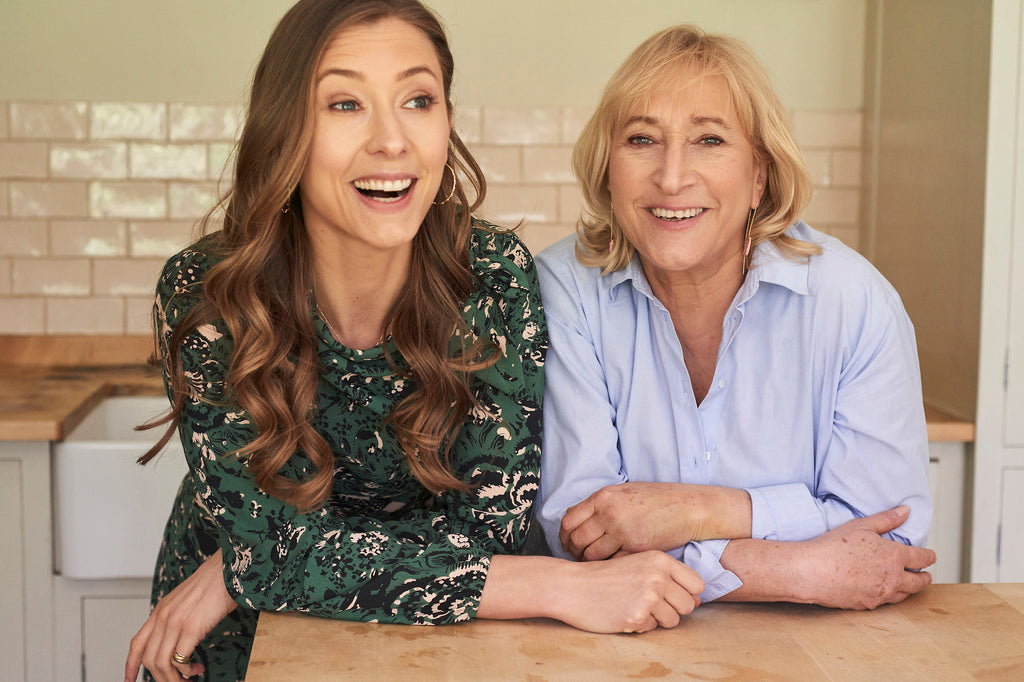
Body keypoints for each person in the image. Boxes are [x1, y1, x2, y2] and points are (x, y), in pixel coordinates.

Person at [125, 3, 705, 681]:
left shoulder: (491, 279)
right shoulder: (209, 293)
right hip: (238, 642)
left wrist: (254, 564)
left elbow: (488, 532)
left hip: (441, 639)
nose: (391, 141)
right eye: (345, 104)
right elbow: (269, 549)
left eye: (418, 99)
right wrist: (557, 586)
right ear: (286, 129)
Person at [535, 24, 937, 609]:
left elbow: (889, 544)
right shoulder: (564, 289)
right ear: (607, 170)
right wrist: (797, 571)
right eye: (642, 139)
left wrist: (697, 510)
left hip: (823, 656)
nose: (672, 177)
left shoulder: (851, 301)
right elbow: (581, 534)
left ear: (760, 177)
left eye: (710, 141)